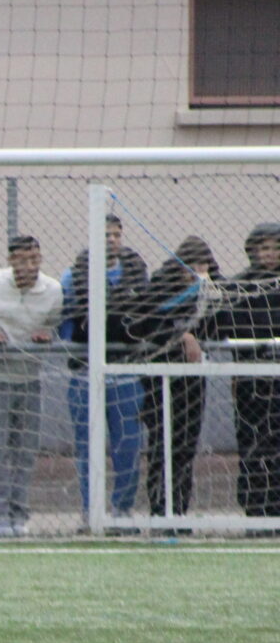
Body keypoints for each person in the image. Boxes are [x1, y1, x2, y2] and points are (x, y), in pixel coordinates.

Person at [61, 214, 150, 519]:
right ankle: (91, 511)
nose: (111, 240)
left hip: (126, 373)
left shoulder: (138, 273)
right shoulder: (72, 277)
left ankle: (122, 511)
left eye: (116, 234)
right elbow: (65, 322)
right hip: (85, 375)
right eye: (105, 235)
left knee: (127, 447)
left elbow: (145, 317)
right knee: (87, 447)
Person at [0, 236, 63, 536]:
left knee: (25, 449)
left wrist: (46, 335)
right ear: (11, 261)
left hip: (29, 377)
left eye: (35, 259)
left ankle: (20, 514)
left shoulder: (52, 290)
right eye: (23, 260)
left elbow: (53, 322)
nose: (30, 266)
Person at [132, 237, 216, 519]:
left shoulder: (211, 291)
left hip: (193, 378)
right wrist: (180, 334)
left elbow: (220, 323)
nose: (196, 271)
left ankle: (179, 510)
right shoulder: (158, 289)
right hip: (161, 378)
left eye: (202, 265)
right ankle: (161, 510)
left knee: (186, 446)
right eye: (191, 265)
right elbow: (141, 324)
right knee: (162, 443)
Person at [217, 223, 280, 516]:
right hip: (251, 378)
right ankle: (256, 507)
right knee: (253, 442)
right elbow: (227, 325)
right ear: (254, 251)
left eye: (276, 248)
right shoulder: (240, 286)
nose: (271, 254)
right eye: (266, 248)